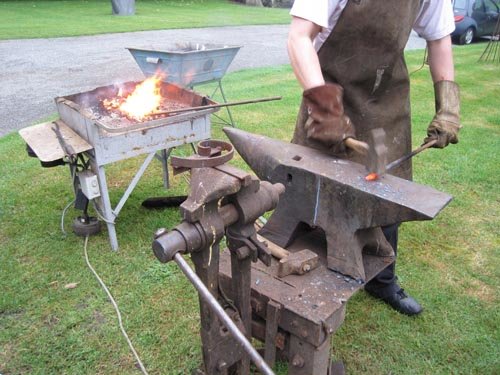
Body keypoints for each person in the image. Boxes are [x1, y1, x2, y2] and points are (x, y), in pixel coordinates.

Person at [287, 0, 461, 316]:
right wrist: (326, 109)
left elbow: (439, 39)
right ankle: (298, 272)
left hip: (385, 95)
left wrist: (448, 107)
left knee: (388, 191)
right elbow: (299, 37)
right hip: (328, 89)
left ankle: (381, 279)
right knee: (312, 184)